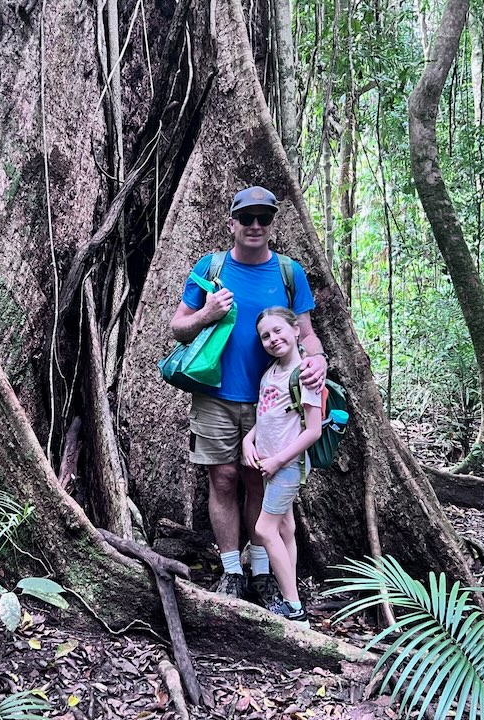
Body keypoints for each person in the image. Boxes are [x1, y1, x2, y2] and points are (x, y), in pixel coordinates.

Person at [169, 185, 327, 602]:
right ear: (232, 223)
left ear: (273, 223)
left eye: (264, 218)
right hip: (216, 394)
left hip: (273, 400)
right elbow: (178, 327)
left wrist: (320, 361)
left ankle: (261, 570)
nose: (255, 225)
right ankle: (231, 570)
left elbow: (307, 336)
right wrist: (208, 313)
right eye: (247, 218)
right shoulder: (211, 267)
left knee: (262, 478)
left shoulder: (289, 273)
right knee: (221, 478)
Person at [241, 307, 324, 626]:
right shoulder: (271, 373)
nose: (273, 339)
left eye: (278, 331)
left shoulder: (305, 374)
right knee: (285, 528)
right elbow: (265, 417)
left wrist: (277, 460)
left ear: (296, 330)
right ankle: (291, 596)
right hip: (268, 464)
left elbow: (313, 430)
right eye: (265, 336)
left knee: (264, 529)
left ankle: (294, 608)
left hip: (286, 465)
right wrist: (249, 441)